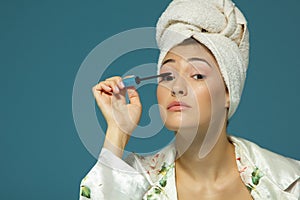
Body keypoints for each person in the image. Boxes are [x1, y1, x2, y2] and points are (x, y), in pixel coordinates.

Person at [79, 0, 300, 199]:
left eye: (197, 75)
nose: (177, 87)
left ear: (228, 92)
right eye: (168, 76)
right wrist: (117, 131)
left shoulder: (290, 182)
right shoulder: (131, 183)